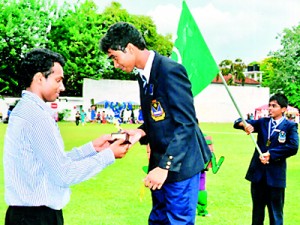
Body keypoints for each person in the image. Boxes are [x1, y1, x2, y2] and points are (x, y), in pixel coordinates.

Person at [100, 22, 212, 225]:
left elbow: (186, 123)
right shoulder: (143, 76)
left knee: (177, 221)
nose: (115, 65)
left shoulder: (170, 70)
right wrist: (140, 133)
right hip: (159, 165)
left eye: (115, 57)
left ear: (130, 48)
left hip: (180, 167)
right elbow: (158, 119)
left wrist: (165, 167)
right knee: (159, 220)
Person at [3, 48, 130, 225]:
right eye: (58, 80)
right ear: (40, 78)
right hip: (37, 218)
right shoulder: (36, 116)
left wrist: (93, 148)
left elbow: (53, 164)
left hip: (28, 215)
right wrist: (108, 155)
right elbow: (64, 174)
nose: (62, 87)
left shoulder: (26, 110)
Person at [233, 93, 299, 225]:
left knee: (275, 214)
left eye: (274, 106)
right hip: (258, 176)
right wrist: (244, 125)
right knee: (257, 212)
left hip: (275, 177)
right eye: (269, 105)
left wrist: (271, 154)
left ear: (284, 109)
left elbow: (293, 146)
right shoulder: (263, 122)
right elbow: (237, 122)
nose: (270, 109)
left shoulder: (289, 126)